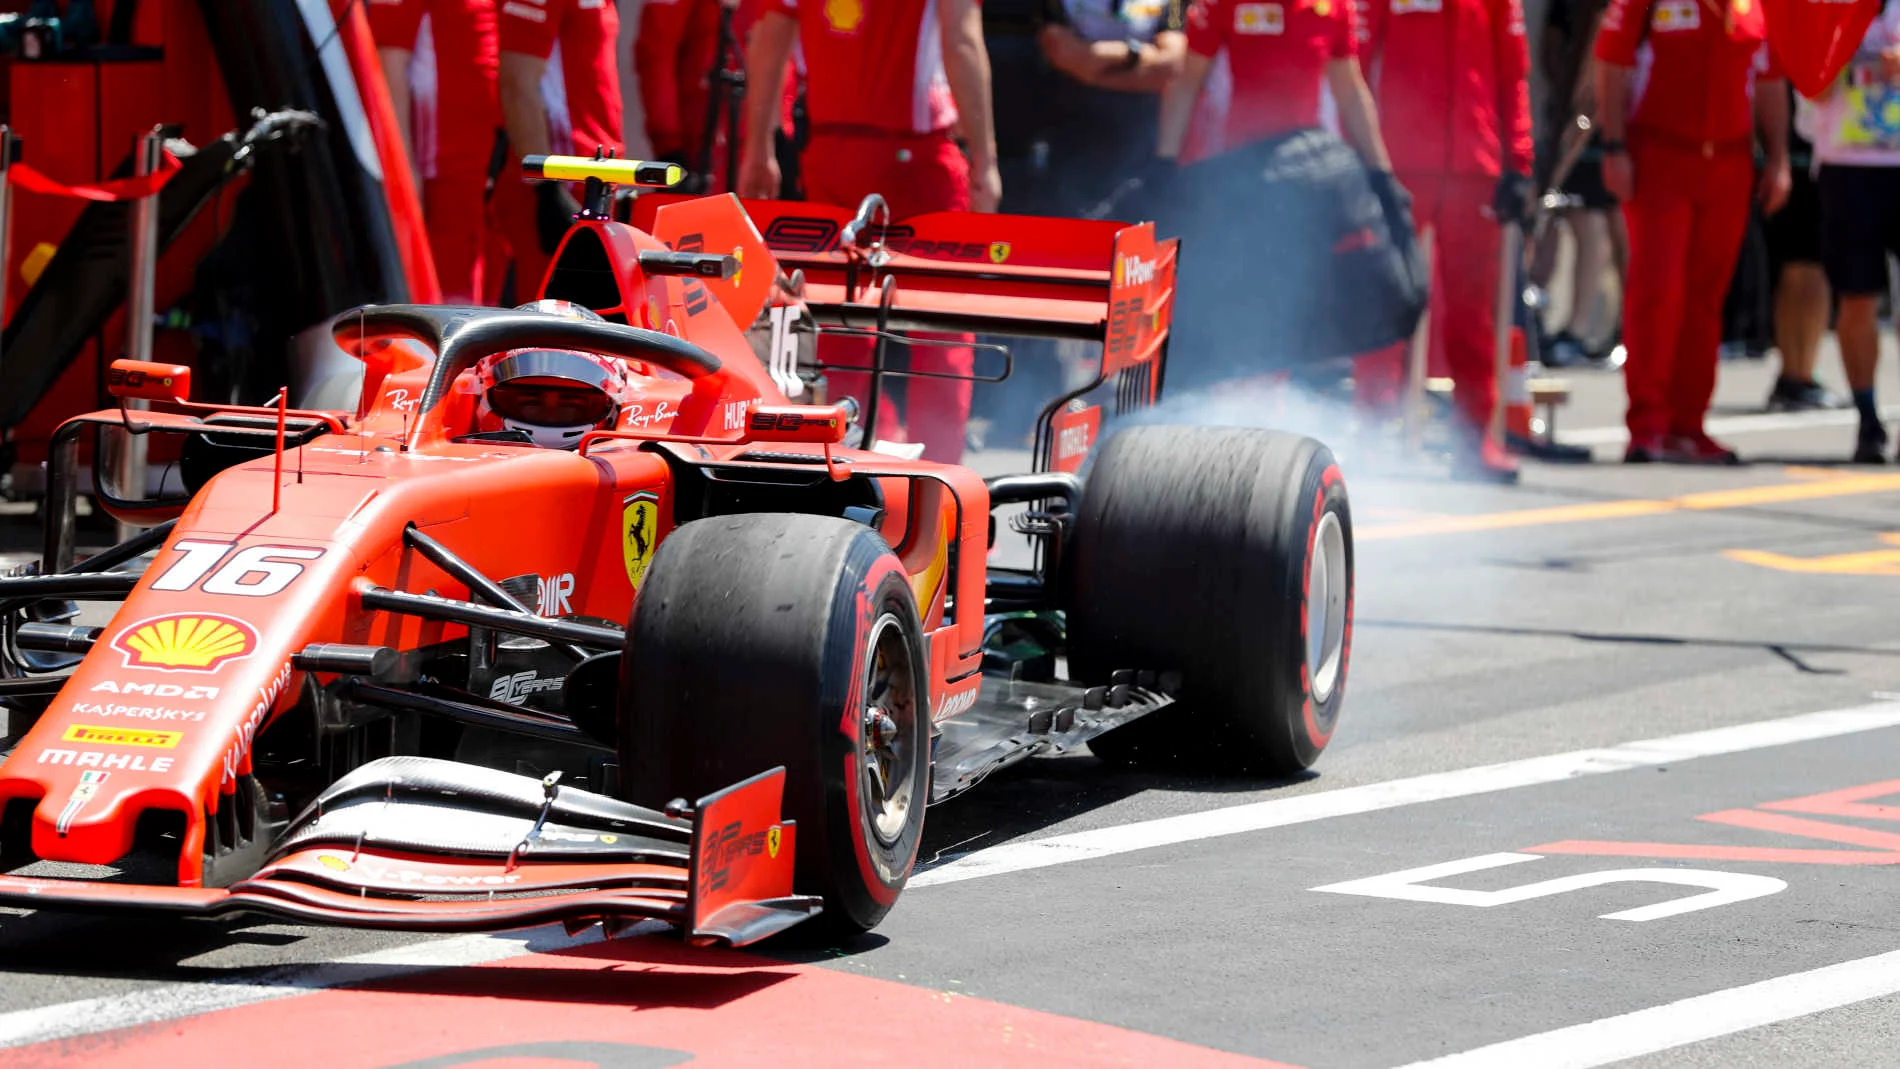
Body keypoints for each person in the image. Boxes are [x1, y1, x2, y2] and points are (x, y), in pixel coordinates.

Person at [738, 0, 1002, 463]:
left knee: (841, 321)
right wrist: (985, 159)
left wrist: (758, 146)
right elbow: (961, 42)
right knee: (941, 329)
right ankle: (937, 485)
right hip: (919, 161)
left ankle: (836, 468)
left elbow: (769, 41)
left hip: (832, 152)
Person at [1594, 0, 1792, 464]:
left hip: (1728, 163)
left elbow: (1769, 79)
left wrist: (1779, 158)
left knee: (1706, 299)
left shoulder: (1756, 7)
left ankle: (1688, 425)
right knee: (1657, 292)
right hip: (1660, 156)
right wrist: (1613, 145)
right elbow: (1613, 62)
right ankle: (1647, 425)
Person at [1361, 0, 1534, 482]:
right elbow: (1357, 58)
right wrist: (1363, 155)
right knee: (1385, 305)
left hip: (1474, 168)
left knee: (1473, 315)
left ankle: (1475, 440)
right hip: (1398, 164)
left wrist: (1519, 163)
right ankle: (1371, 436)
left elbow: (1513, 74)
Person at [1798, 3, 1900, 462]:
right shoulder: (1828, 9)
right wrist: (1840, 60)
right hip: (1847, 167)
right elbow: (1810, 86)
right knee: (1857, 299)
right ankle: (1868, 418)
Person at [368, 0, 502, 305]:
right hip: (438, 169)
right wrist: (403, 169)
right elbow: (388, 64)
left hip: (484, 166)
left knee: (482, 301)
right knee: (446, 305)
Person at [491, 0, 626, 304]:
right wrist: (547, 190)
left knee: (589, 318)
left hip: (595, 177)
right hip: (560, 182)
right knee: (547, 321)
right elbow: (516, 82)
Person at [1532, 0, 1628, 368]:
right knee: (1566, 215)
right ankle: (1563, 319)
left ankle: (1581, 327)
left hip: (1593, 128)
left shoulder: (1606, 9)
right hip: (1571, 119)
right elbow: (1552, 49)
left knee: (1590, 219)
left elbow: (1594, 84)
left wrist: (1573, 136)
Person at [1764, 81, 1837, 414]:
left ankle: (1797, 374)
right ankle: (1798, 375)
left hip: (1803, 148)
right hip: (1809, 150)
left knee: (1802, 267)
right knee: (1807, 268)